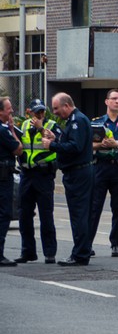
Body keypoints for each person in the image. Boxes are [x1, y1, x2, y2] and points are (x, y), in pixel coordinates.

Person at [42, 93, 94, 266]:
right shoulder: (74, 120)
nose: (55, 112)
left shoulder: (77, 121)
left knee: (78, 215)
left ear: (66, 105)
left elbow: (75, 147)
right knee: (79, 215)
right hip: (76, 173)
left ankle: (80, 254)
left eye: (56, 108)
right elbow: (72, 142)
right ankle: (81, 251)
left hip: (78, 174)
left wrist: (53, 145)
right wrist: (56, 138)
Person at [88, 89, 118, 258]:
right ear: (106, 101)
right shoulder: (96, 123)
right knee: (94, 206)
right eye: (114, 99)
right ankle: (87, 243)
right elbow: (88, 145)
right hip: (101, 167)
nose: (117, 102)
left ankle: (115, 243)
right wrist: (101, 145)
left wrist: (116, 144)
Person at [15, 99, 62, 264]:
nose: (40, 114)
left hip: (44, 175)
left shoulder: (51, 126)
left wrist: (41, 128)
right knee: (24, 215)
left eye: (42, 111)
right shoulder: (24, 126)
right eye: (37, 112)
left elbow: (58, 143)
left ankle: (50, 252)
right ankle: (28, 252)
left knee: (46, 215)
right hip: (27, 174)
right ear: (29, 112)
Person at [0, 97, 23, 266]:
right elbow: (18, 149)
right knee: (3, 214)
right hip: (3, 178)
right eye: (9, 109)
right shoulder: (3, 130)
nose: (12, 111)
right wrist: (12, 130)